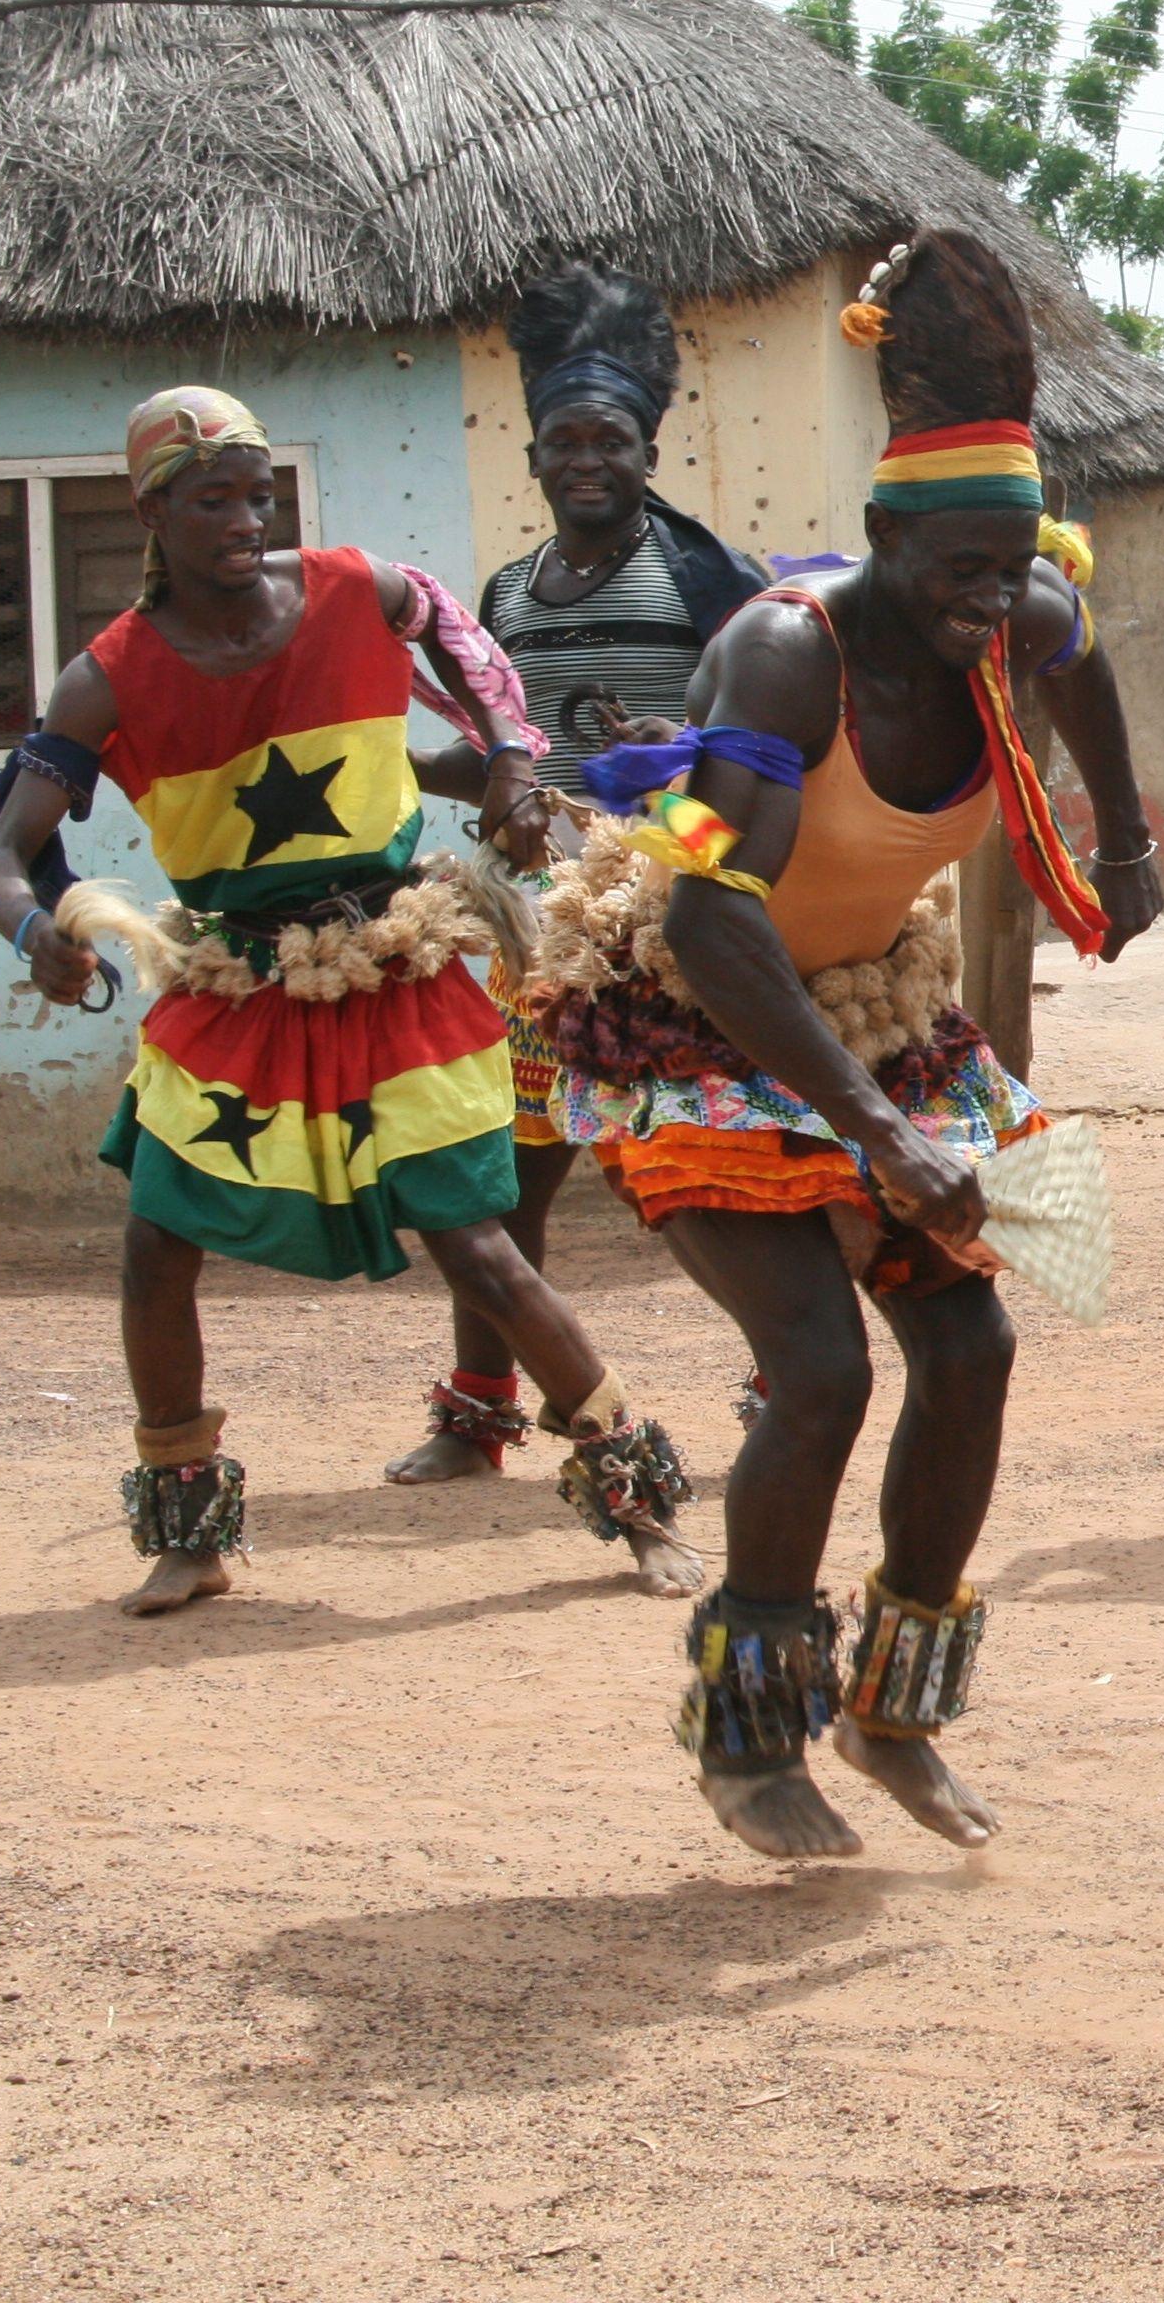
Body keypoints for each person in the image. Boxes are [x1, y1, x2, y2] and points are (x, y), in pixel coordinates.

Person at [545, 231, 1164, 1857]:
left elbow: (1079, 664)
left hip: (868, 1005)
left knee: (970, 1352)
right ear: (882, 534)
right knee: (816, 1372)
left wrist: (1121, 845)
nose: (989, 596)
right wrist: (877, 1139)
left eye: (1012, 561)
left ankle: (899, 1706)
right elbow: (703, 919)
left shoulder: (1019, 609)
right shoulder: (784, 653)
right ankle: (754, 1739)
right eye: (955, 563)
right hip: (697, 1011)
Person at [0, 387, 704, 1615]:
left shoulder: (357, 589)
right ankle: (189, 1526)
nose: (246, 519)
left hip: (397, 971)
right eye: (214, 499)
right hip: (235, 989)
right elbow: (3, 853)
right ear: (152, 510)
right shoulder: (108, 679)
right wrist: (40, 932)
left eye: (261, 495)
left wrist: (515, 766)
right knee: (157, 1247)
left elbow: (469, 650)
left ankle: (634, 1504)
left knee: (477, 1244)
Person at [395, 263, 767, 1489]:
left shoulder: (712, 584)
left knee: (730, 1167)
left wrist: (661, 802)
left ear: (650, 448)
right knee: (495, 1181)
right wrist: (391, 770)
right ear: (535, 453)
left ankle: (787, 1386)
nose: (588, 459)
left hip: (674, 920)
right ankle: (478, 1415)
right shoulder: (503, 594)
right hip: (541, 939)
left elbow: (762, 747)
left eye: (612, 438)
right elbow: (508, 752)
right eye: (566, 440)